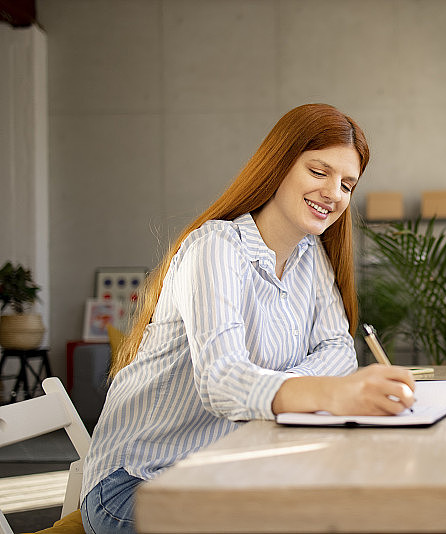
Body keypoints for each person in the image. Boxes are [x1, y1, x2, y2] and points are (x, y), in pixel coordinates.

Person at [79, 103, 416, 534]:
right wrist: (325, 394)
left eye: (347, 184)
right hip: (139, 482)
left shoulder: (310, 258)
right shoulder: (215, 247)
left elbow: (338, 352)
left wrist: (295, 387)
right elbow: (222, 381)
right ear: (278, 166)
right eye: (318, 172)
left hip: (226, 470)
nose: (334, 193)